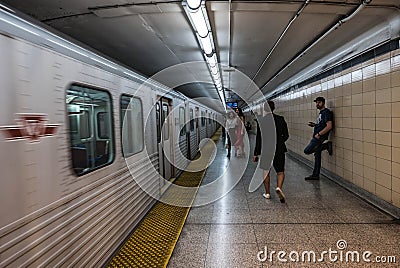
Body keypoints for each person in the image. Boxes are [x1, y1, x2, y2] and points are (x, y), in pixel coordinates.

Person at [254, 101, 289, 203]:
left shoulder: (262, 121)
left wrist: (256, 153)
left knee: (266, 171)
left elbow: (259, 139)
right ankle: (279, 188)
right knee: (280, 171)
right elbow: (286, 135)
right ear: (273, 108)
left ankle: (268, 193)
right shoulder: (281, 119)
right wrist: (280, 142)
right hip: (279, 148)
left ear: (264, 109)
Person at [303, 96, 333, 180]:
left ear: (323, 103)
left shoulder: (326, 112)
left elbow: (329, 126)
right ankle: (315, 174)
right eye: (316, 102)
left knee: (307, 150)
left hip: (319, 137)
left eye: (319, 102)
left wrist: (319, 134)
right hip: (317, 135)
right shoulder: (321, 113)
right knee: (317, 154)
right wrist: (315, 125)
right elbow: (322, 124)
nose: (317, 104)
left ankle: (326, 146)